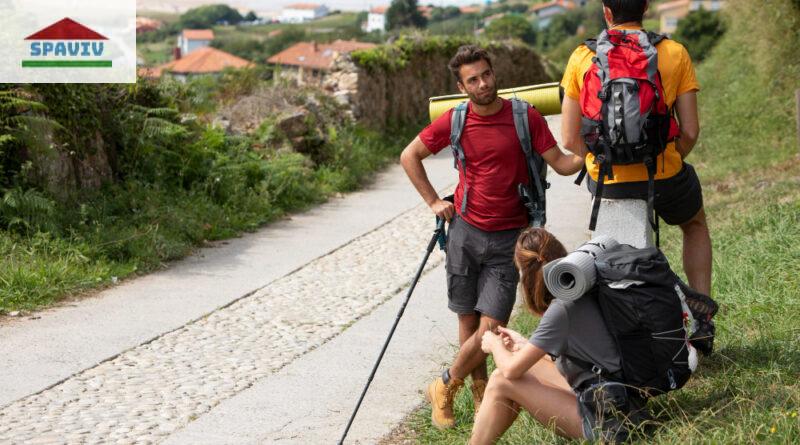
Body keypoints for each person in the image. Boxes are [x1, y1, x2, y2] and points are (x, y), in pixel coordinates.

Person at [400, 45, 584, 429]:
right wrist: (434, 201)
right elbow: (409, 155)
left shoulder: (524, 117)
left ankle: (445, 385)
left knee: (491, 327)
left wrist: (591, 151)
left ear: (493, 72)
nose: (483, 83)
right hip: (464, 231)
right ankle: (481, 396)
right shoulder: (455, 120)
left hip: (508, 239)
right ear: (460, 85)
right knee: (467, 318)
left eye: (486, 74)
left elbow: (563, 164)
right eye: (473, 79)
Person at [560, 0, 712, 296]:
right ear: (645, 8)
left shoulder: (581, 57)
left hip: (609, 180)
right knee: (694, 225)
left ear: (606, 12)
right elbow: (690, 130)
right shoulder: (673, 52)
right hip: (664, 175)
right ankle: (702, 311)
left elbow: (568, 138)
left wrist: (602, 158)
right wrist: (668, 155)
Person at [470, 228, 648, 444]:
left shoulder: (561, 310)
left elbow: (510, 370)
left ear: (524, 273)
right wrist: (523, 345)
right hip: (629, 403)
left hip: (609, 421)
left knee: (500, 380)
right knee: (521, 365)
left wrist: (493, 344)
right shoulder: (584, 288)